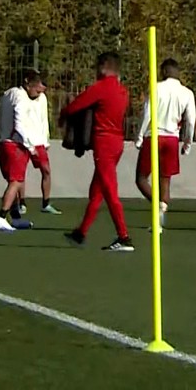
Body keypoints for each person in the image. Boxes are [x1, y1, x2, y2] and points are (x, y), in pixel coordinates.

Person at [62, 52, 133, 252]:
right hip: (117, 141)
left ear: (103, 67)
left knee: (109, 190)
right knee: (98, 190)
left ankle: (124, 236)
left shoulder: (101, 88)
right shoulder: (122, 91)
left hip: (104, 143)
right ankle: (80, 232)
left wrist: (64, 115)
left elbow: (77, 105)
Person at [134, 59, 195, 229]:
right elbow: (191, 120)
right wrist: (187, 143)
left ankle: (157, 205)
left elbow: (147, 113)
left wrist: (139, 137)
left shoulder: (156, 87)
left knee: (141, 178)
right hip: (172, 139)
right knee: (165, 180)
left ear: (164, 72)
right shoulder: (187, 93)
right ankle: (161, 212)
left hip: (154, 135)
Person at [0, 71, 53, 232]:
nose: (38, 94)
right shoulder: (21, 98)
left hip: (3, 143)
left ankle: (15, 217)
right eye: (37, 90)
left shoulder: (8, 94)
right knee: (16, 181)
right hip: (15, 145)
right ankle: (1, 216)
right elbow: (19, 124)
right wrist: (30, 146)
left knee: (12, 180)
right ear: (28, 84)